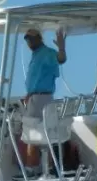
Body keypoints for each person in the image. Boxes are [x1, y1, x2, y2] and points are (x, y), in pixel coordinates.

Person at [21, 27, 67, 173]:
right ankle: (47, 167)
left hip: (40, 98)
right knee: (43, 132)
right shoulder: (36, 54)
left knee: (31, 132)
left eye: (32, 38)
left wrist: (61, 48)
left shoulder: (46, 53)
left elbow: (61, 59)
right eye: (27, 39)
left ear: (39, 39)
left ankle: (31, 168)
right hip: (37, 97)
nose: (29, 42)